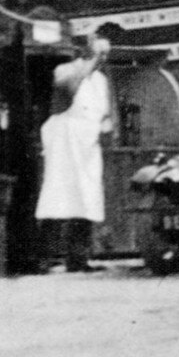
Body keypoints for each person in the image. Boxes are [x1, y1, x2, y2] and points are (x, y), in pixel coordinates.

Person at [34, 24, 115, 272]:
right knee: (57, 193)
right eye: (99, 53)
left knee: (87, 196)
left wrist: (106, 124)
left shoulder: (101, 80)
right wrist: (91, 61)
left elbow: (106, 113)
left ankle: (78, 259)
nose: (103, 59)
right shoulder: (65, 70)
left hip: (88, 142)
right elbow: (67, 87)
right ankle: (44, 258)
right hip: (64, 139)